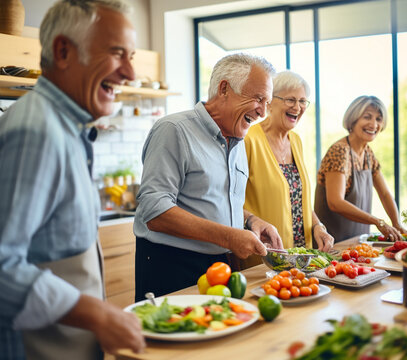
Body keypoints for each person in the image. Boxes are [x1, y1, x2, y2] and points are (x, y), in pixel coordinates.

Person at [0, 1, 145, 359]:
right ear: (64, 51)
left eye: (132, 56)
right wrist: (95, 313)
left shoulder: (65, 126)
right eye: (117, 53)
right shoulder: (38, 131)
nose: (130, 73)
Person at [134, 53, 283, 299]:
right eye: (258, 99)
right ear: (224, 88)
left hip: (221, 266)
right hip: (172, 266)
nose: (263, 112)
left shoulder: (237, 140)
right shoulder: (174, 130)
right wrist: (229, 236)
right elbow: (154, 211)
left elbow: (210, 198)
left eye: (267, 103)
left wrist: (250, 221)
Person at [244, 71, 334, 253]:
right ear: (269, 101)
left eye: (302, 101)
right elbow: (230, 202)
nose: (298, 107)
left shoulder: (296, 141)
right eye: (290, 100)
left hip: (301, 256)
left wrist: (318, 226)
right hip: (264, 254)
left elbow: (297, 199)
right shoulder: (249, 140)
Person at [314, 95, 407, 242]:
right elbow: (335, 202)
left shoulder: (368, 154)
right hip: (332, 243)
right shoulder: (339, 151)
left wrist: (397, 224)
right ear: (353, 119)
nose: (373, 124)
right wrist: (378, 221)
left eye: (378, 119)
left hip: (356, 242)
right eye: (367, 117)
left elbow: (384, 193)